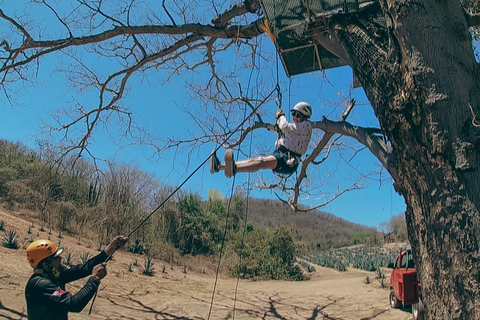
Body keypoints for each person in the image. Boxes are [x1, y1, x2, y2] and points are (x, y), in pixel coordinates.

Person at [25, 235, 128, 320]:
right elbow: (74, 304)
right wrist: (95, 278)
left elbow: (84, 268)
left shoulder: (54, 274)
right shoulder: (40, 284)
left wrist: (111, 248)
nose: (60, 258)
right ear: (45, 264)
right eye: (55, 257)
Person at [210, 102, 313, 178]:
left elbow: (285, 127)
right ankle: (219, 167)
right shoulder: (294, 129)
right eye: (293, 114)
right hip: (281, 154)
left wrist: (281, 117)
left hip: (289, 160)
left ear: (305, 117)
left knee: (261, 162)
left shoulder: (307, 126)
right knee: (254, 160)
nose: (295, 117)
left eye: (298, 115)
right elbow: (283, 132)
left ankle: (234, 169)